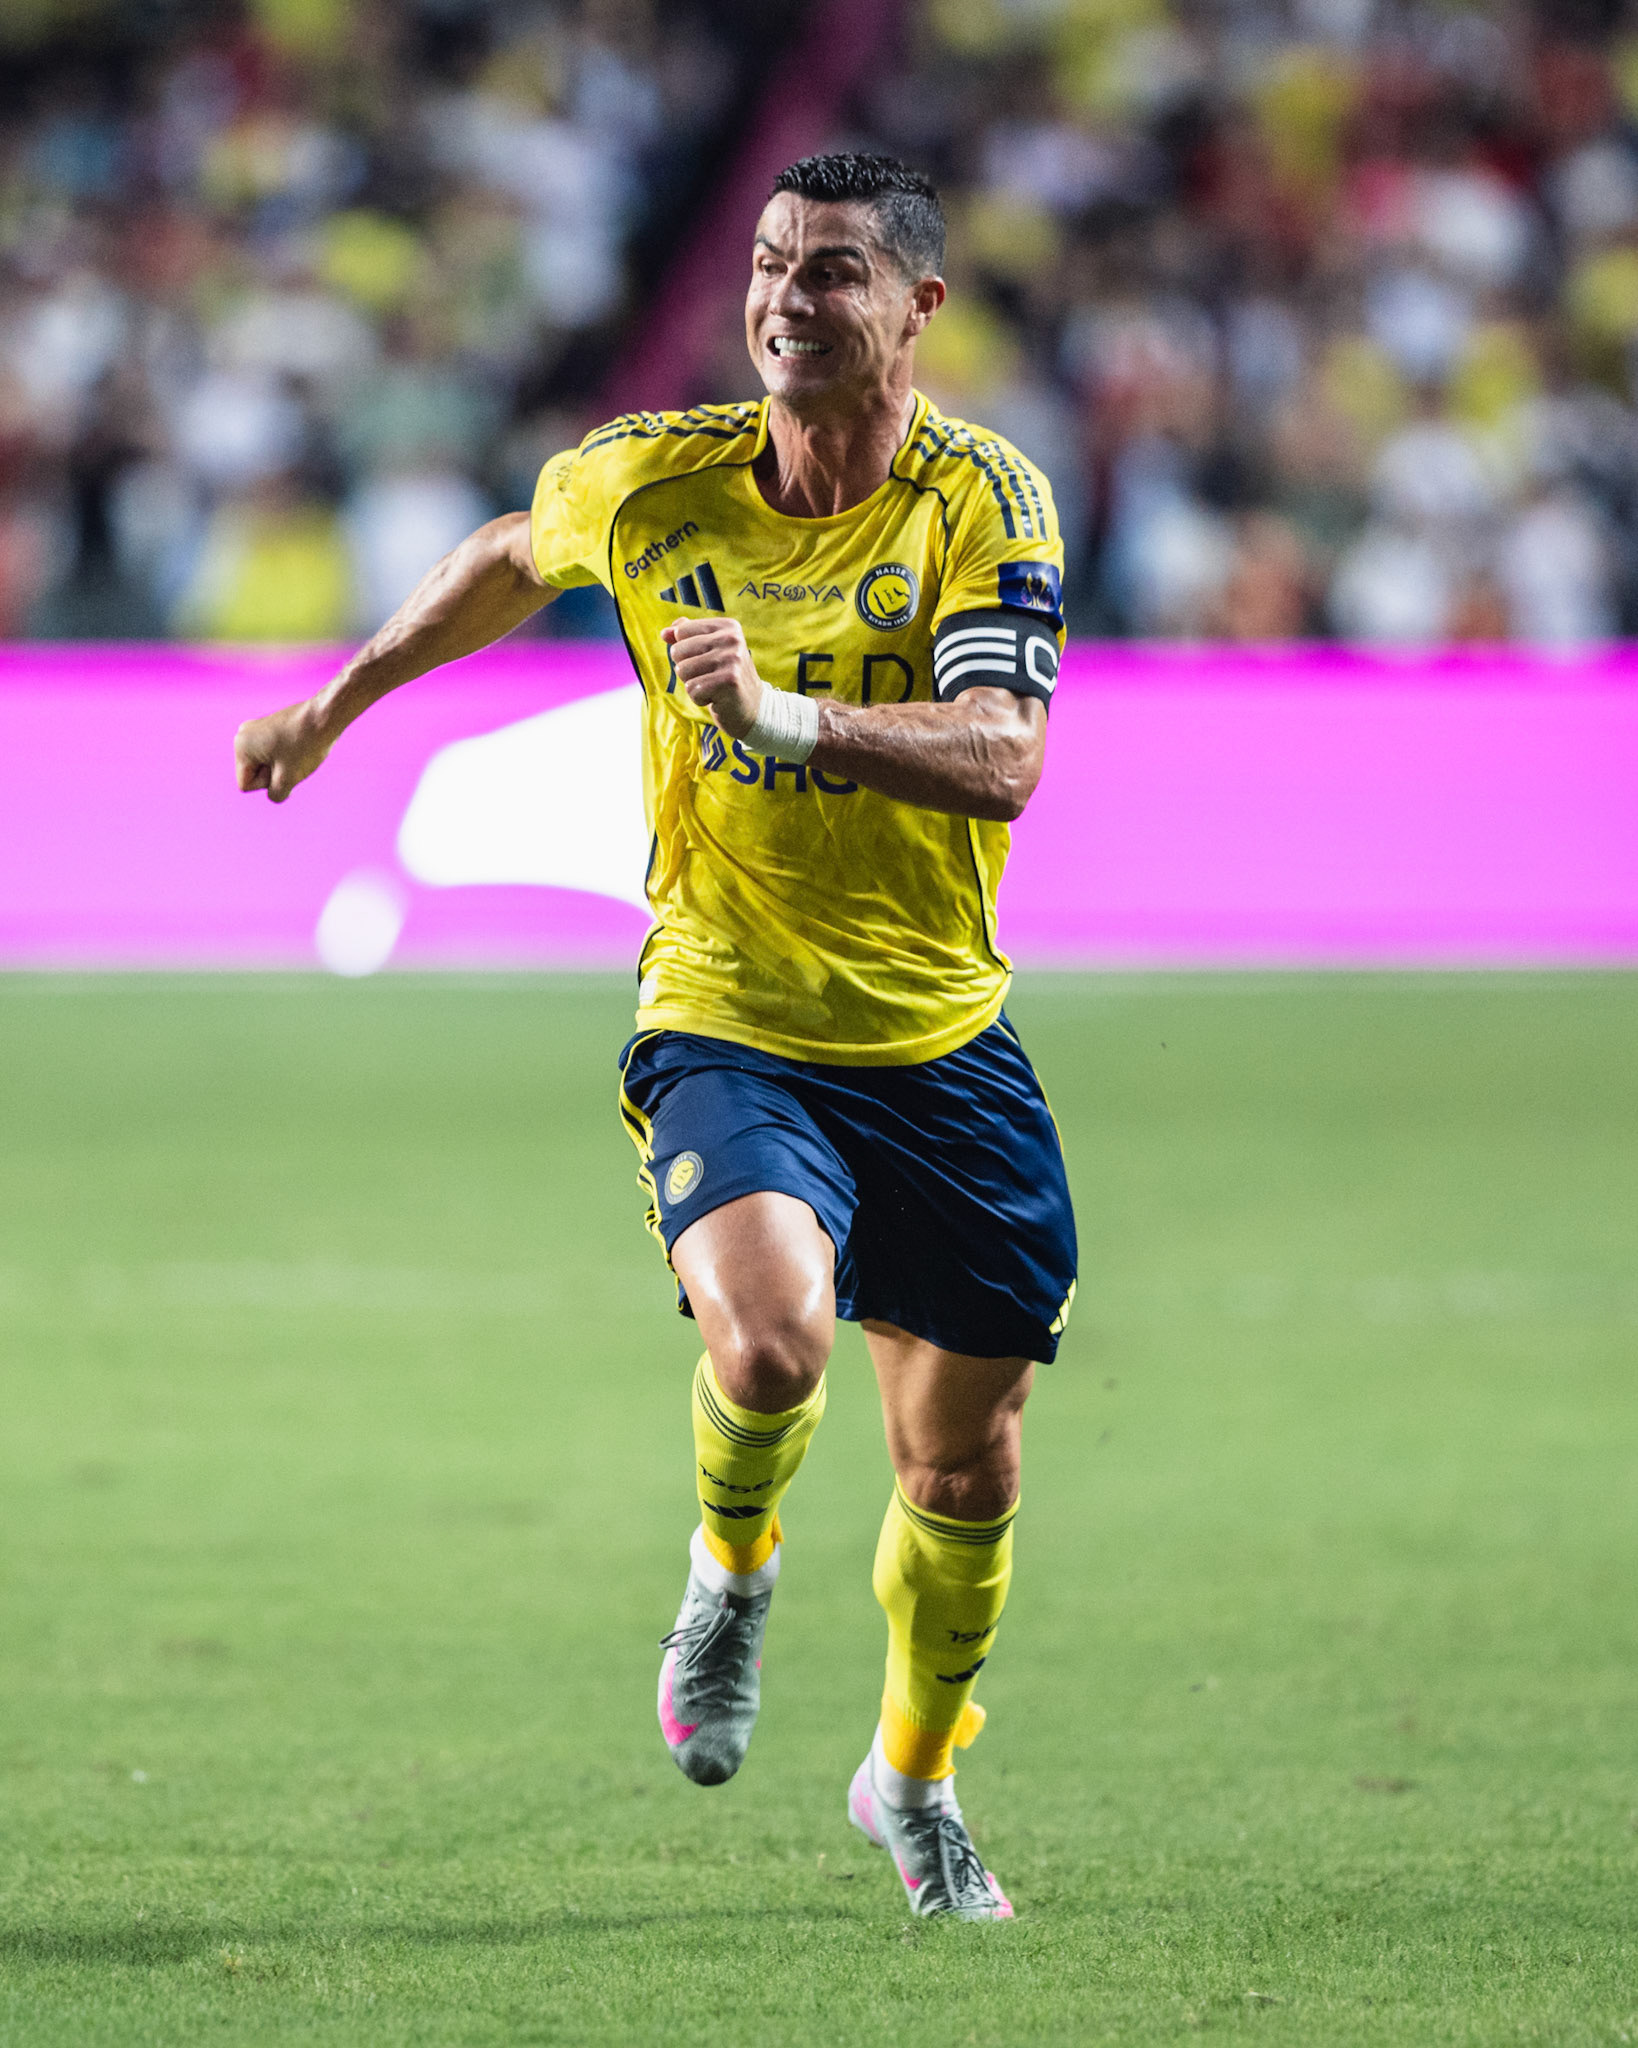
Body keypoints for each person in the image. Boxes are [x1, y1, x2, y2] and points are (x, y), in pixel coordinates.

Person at [235, 153, 1077, 1922]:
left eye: (833, 272)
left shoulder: (981, 501)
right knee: (770, 1350)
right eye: (771, 264)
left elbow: (1005, 753)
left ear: (918, 307)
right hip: (726, 1011)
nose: (786, 297)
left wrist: (788, 716)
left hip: (935, 1038)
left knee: (962, 1465)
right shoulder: (652, 478)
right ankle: (732, 1568)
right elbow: (505, 555)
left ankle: (909, 1780)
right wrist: (341, 696)